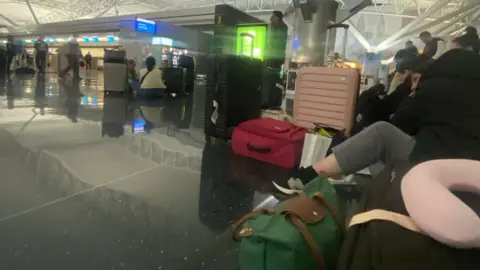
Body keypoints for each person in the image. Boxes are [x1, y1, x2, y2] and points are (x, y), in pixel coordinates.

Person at [290, 48, 480, 189]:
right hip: (471, 177)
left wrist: (405, 95)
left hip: (430, 167)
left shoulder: (431, 92)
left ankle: (309, 176)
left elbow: (399, 123)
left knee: (381, 133)